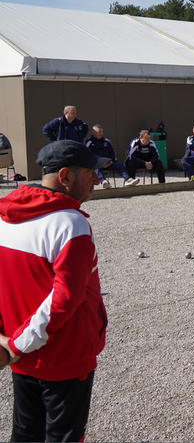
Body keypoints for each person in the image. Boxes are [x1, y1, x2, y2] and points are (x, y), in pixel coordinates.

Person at [0, 140, 108, 441]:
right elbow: (64, 299)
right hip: (63, 357)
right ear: (65, 177)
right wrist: (18, 345)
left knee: (25, 433)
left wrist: (8, 342)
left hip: (19, 355)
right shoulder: (70, 224)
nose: (97, 181)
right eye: (90, 173)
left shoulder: (4, 216)